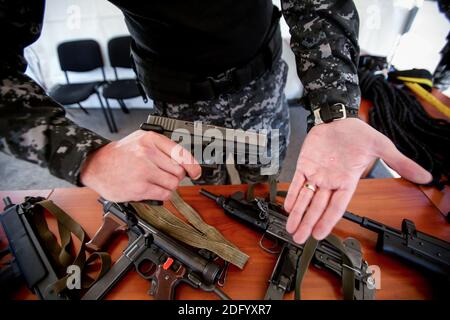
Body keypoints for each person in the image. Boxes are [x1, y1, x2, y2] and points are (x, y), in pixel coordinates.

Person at [0, 0, 431, 245]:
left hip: (261, 89)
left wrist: (335, 110)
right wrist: (86, 154)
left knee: (264, 196)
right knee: (200, 204)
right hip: (177, 105)